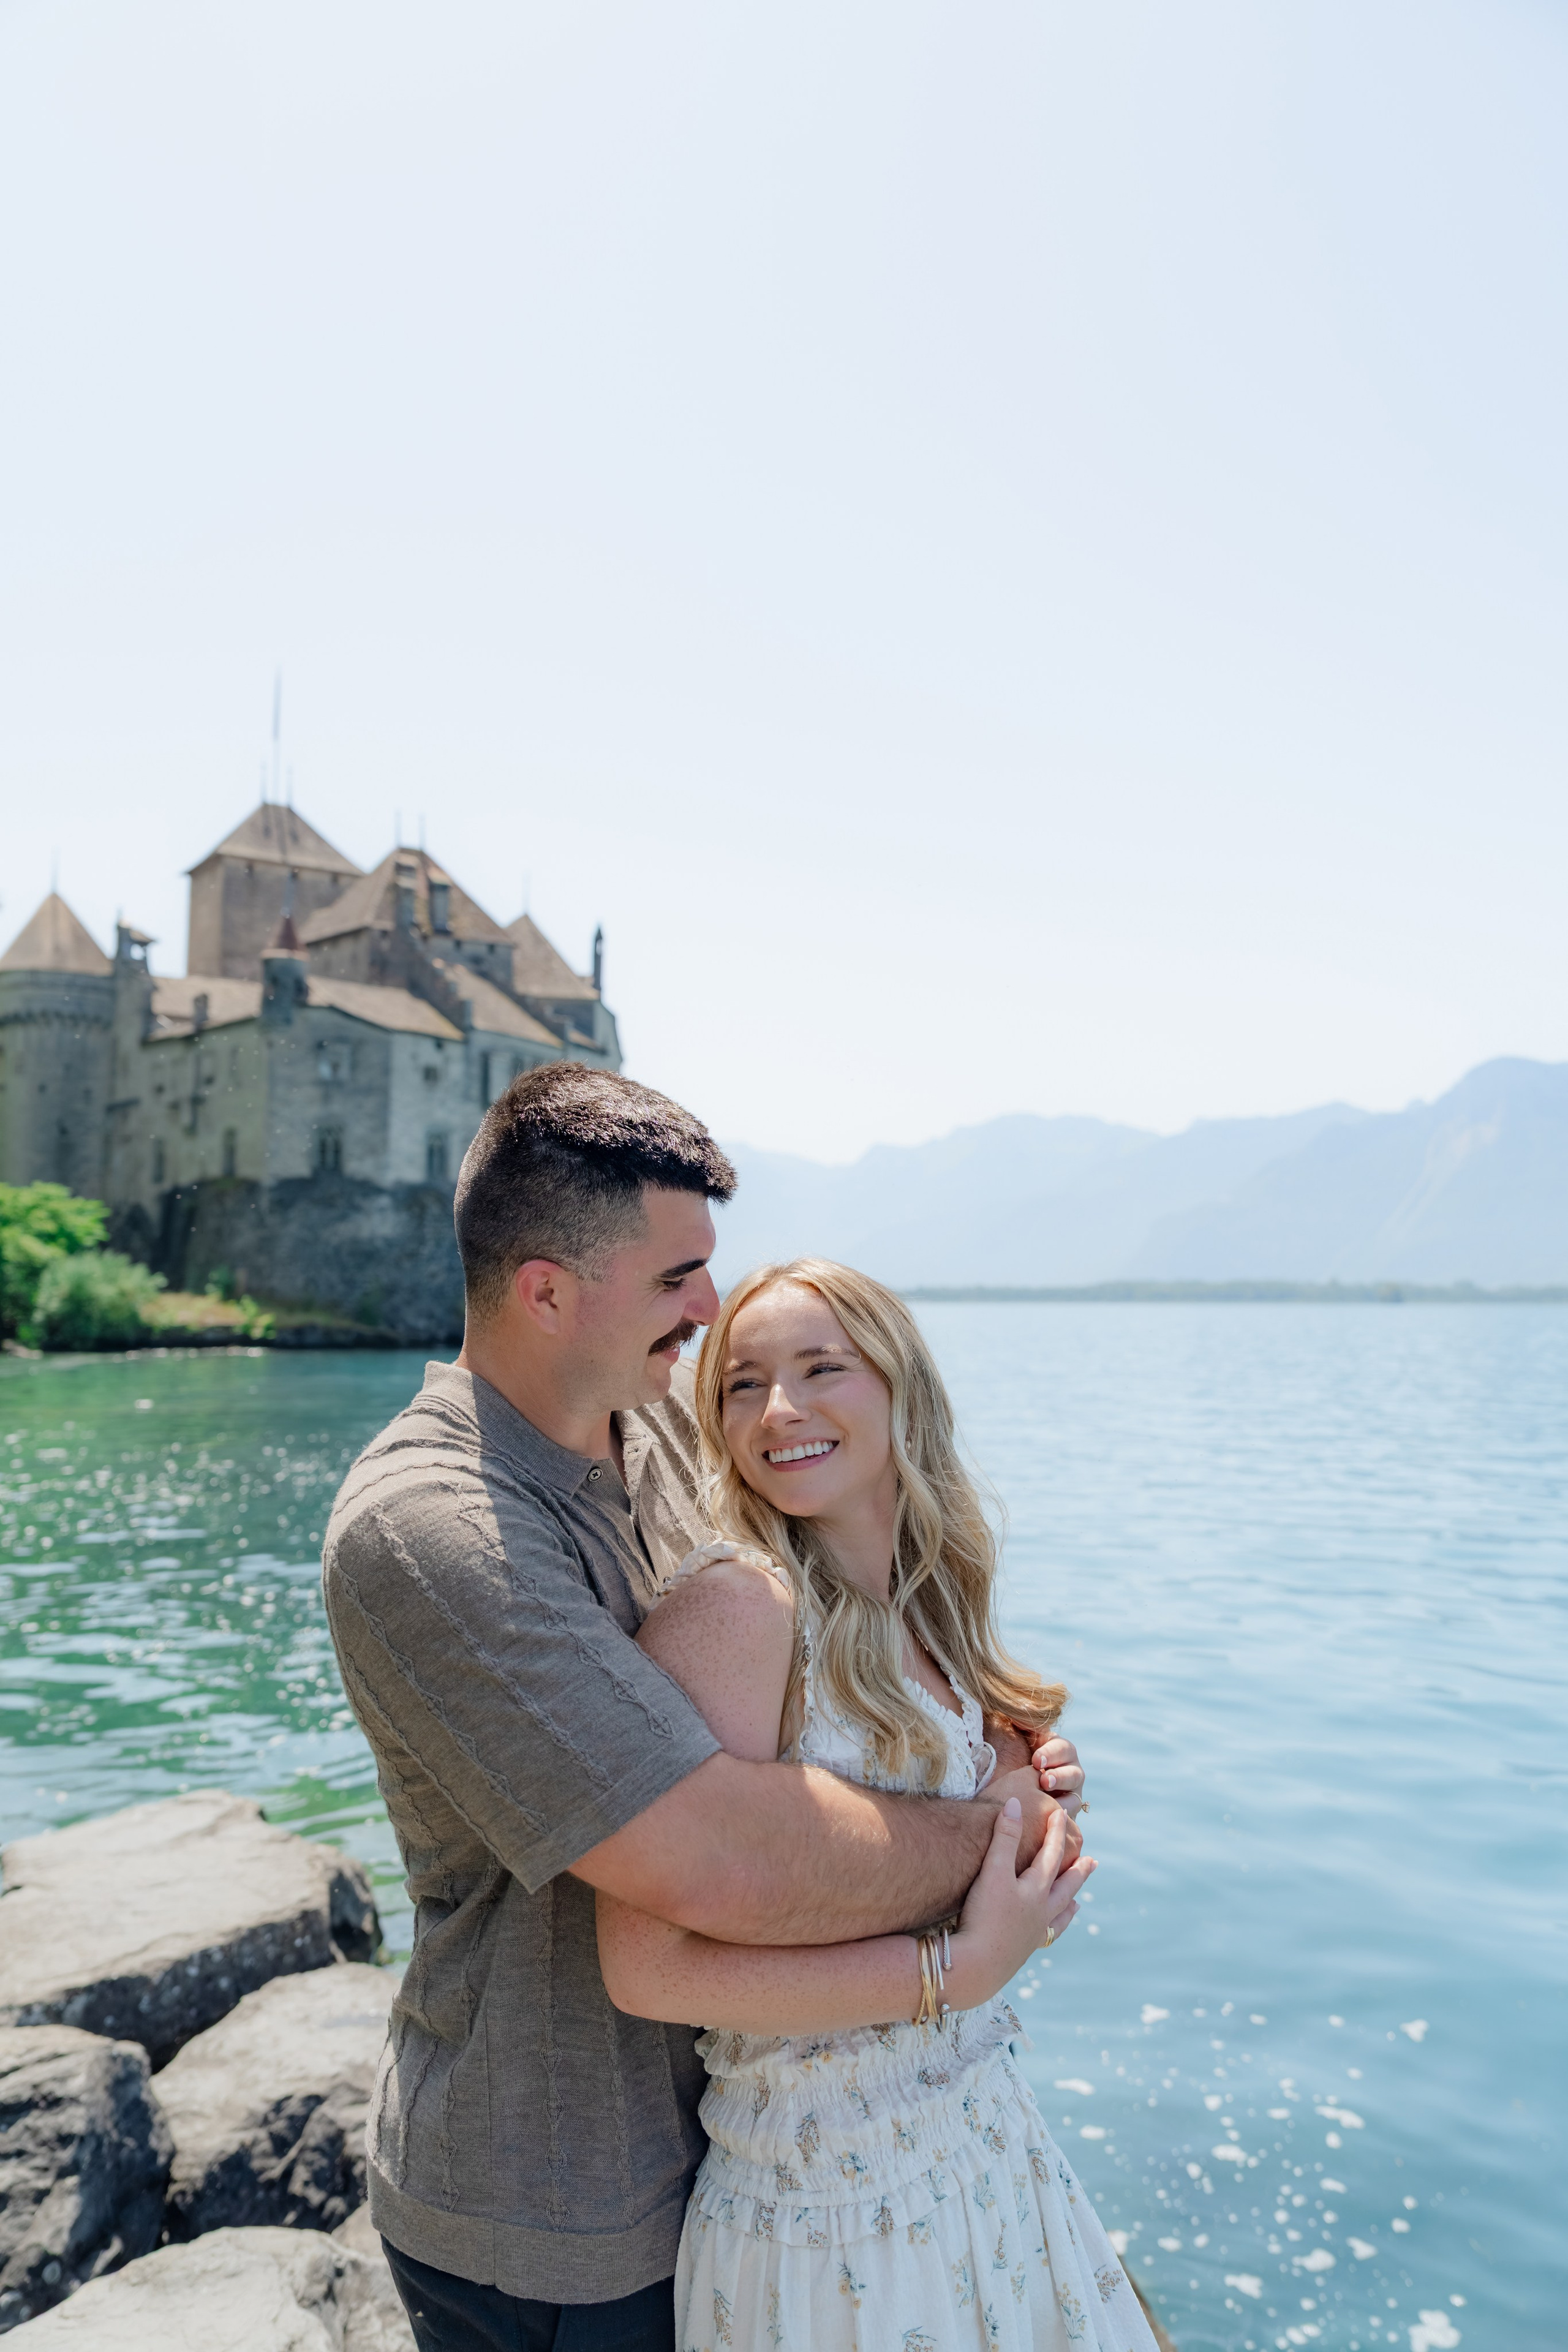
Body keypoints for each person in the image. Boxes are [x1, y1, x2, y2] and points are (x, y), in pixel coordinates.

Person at [323, 1066, 1080, 2352]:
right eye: (677, 1276)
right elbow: (715, 1860)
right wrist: (989, 1849)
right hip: (558, 2209)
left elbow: (836, 1637)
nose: (709, 1309)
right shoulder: (433, 1533)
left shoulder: (660, 1427)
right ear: (547, 1292)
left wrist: (990, 1738)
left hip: (737, 2145)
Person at [597, 1258, 1153, 2352]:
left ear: (904, 1388)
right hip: (828, 2215)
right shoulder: (737, 1609)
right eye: (743, 1384)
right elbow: (647, 1965)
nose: (781, 1410)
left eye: (821, 1369)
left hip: (981, 2147)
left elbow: (952, 1833)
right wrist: (955, 1973)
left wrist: (1029, 1790)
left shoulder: (923, 1608)